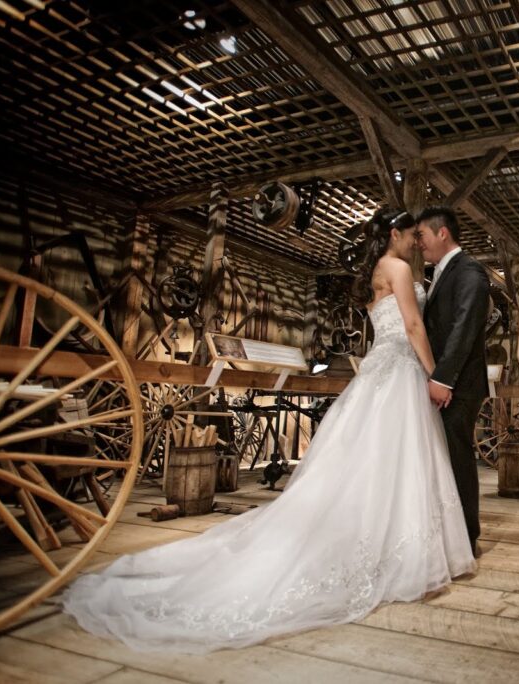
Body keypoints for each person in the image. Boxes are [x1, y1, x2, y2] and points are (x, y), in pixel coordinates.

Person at [60, 208, 476, 654]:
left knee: (376, 460)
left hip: (383, 369)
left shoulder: (378, 268)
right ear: (395, 233)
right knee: (397, 458)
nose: (416, 242)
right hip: (400, 371)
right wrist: (437, 376)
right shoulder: (396, 267)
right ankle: (393, 550)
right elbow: (412, 326)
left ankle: (383, 540)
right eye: (412, 235)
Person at [415, 206, 490, 557]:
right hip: (446, 382)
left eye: (423, 236)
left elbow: (465, 326)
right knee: (443, 457)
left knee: (458, 458)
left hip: (459, 385)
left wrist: (444, 378)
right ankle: (447, 535)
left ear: (442, 233)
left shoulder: (469, 270)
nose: (420, 244)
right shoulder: (443, 273)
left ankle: (467, 538)